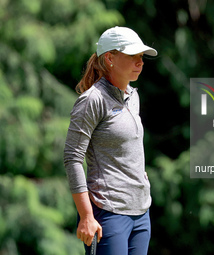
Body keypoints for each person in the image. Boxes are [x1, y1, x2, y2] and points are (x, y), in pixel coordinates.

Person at [64, 26, 157, 255]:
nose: (140, 62)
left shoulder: (133, 96)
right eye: (132, 55)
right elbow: (72, 158)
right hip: (108, 213)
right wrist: (86, 216)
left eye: (141, 56)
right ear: (110, 58)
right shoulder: (91, 101)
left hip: (141, 212)